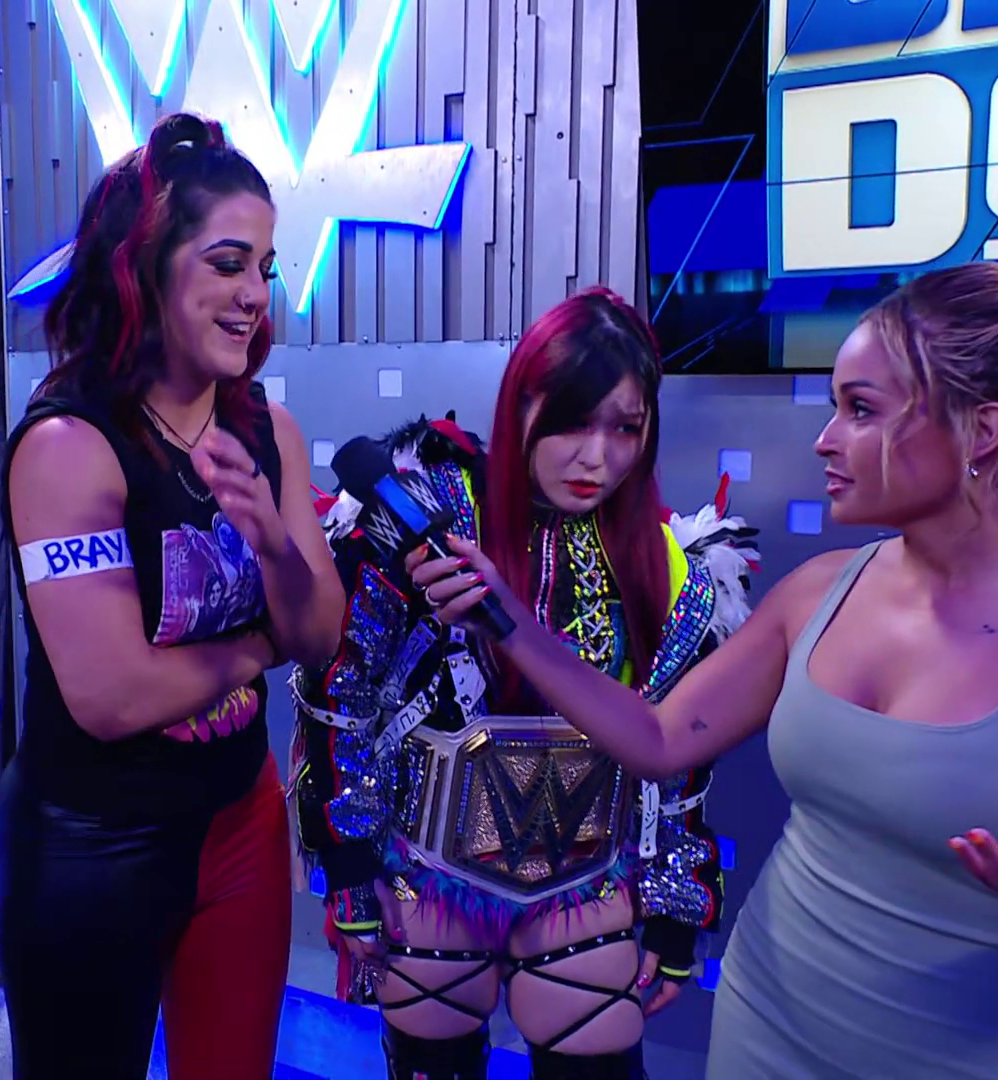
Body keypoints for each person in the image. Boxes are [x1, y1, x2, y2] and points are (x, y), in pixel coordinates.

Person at [410, 230, 998, 1079]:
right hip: (762, 1030)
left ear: (981, 431)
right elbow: (658, 739)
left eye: (861, 409)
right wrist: (508, 622)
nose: (826, 439)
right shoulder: (820, 590)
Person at [291, 286, 760, 1080]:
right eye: (572, 421)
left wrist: (675, 908)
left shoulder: (669, 563)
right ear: (521, 407)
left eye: (625, 428)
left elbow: (679, 755)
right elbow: (342, 697)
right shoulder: (429, 521)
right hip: (429, 877)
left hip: (588, 883)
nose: (596, 457)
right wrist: (352, 873)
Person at [0, 112, 346, 1080]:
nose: (254, 294)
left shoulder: (269, 429)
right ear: (145, 268)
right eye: (228, 263)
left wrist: (275, 546)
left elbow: (321, 634)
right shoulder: (68, 445)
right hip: (93, 841)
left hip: (240, 822)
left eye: (264, 268)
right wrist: (257, 647)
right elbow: (112, 697)